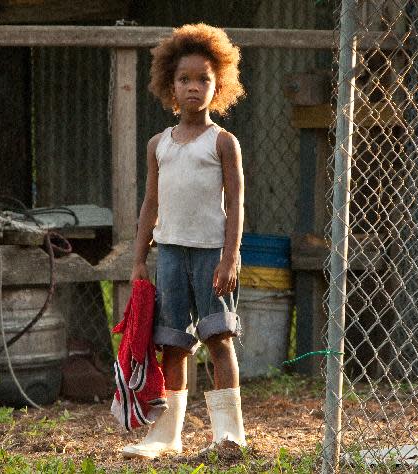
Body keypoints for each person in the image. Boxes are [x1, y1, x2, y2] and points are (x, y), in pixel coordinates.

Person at [122, 23, 247, 459]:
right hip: (170, 255)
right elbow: (149, 204)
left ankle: (229, 434)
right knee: (173, 343)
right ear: (169, 86)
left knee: (218, 340)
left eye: (203, 80)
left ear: (219, 85)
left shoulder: (224, 143)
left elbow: (236, 204)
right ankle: (166, 435)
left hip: (212, 255)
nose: (194, 87)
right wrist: (139, 259)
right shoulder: (160, 144)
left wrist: (229, 257)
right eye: (184, 79)